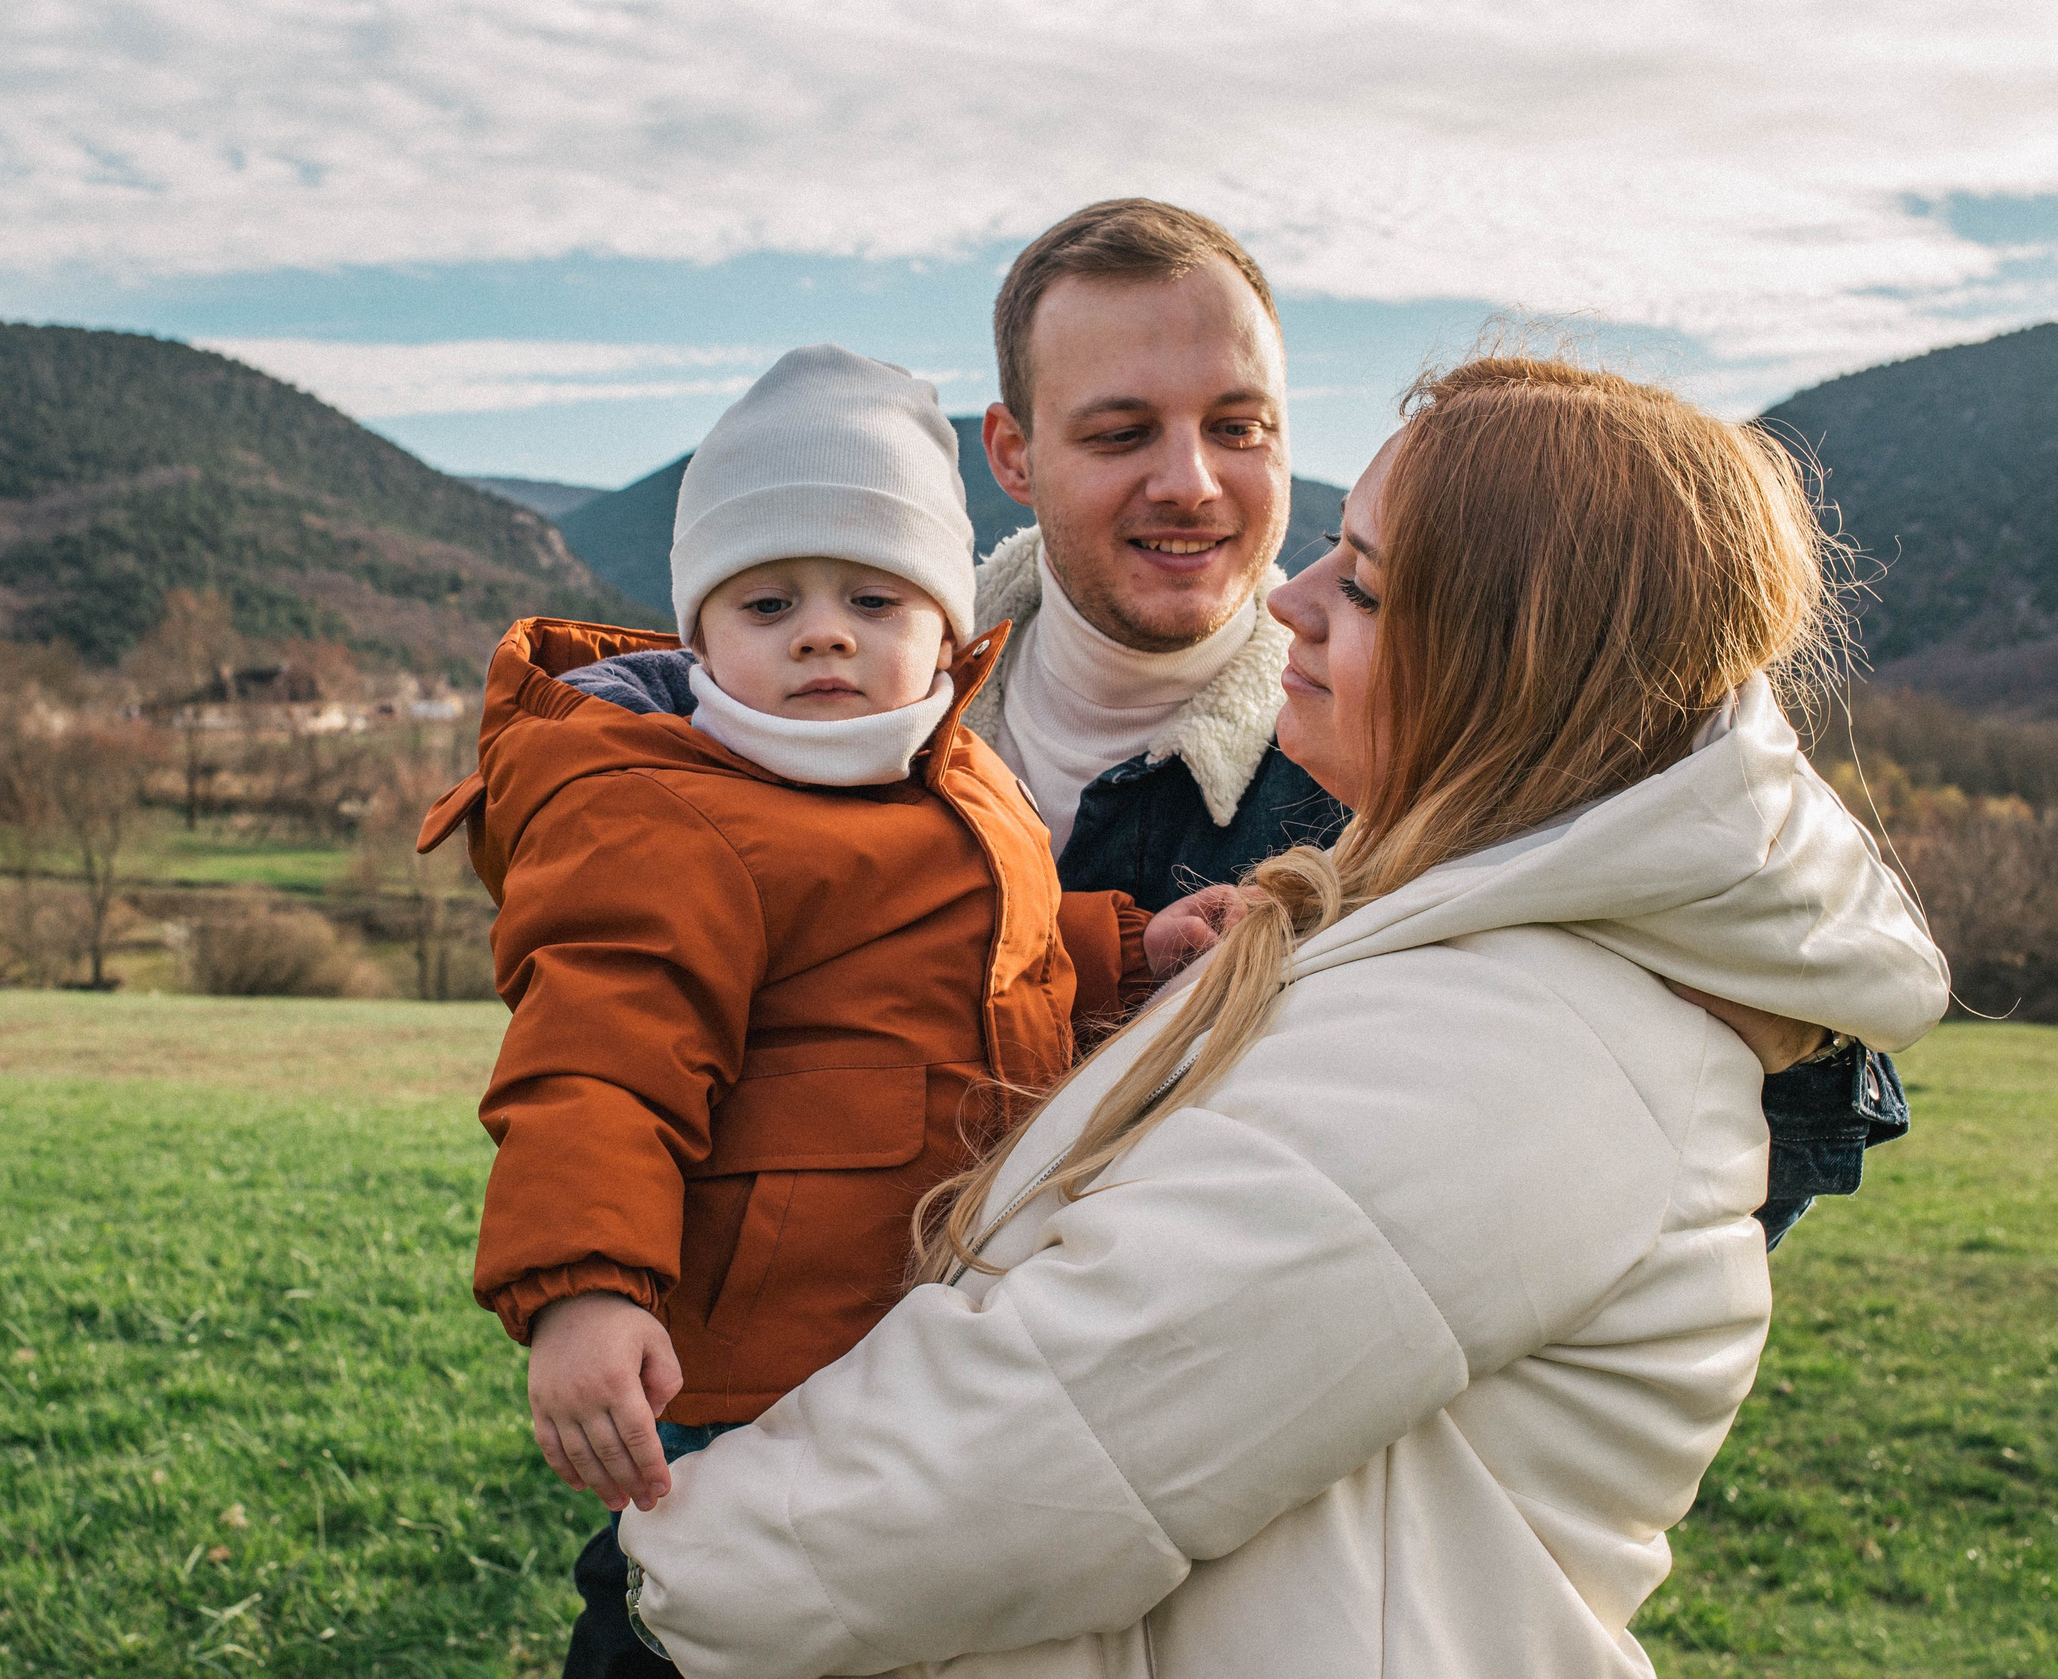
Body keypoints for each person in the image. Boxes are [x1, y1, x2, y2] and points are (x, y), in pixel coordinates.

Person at [619, 357, 1949, 1678]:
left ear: (1513, 670)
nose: (1291, 602)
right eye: (1330, 551)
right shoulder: (1469, 962)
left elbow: (1044, 1443)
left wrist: (671, 1564)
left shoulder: (1512, 1053)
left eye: (1363, 584)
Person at [961, 198, 1907, 1246]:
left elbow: (1719, 1162)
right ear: (1010, 451)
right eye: (1120, 431)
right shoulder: (851, 723)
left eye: (1239, 428)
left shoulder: (1422, 759)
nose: (1190, 482)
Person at [415, 346, 1151, 1679]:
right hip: (756, 1363)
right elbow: (598, 1069)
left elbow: (1000, 965)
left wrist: (1136, 948)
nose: (823, 631)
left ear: (948, 623)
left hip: (913, 1330)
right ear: (700, 633)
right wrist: (584, 1284)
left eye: (873, 595)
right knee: (728, 1627)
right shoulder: (666, 813)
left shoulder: (959, 777)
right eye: (769, 600)